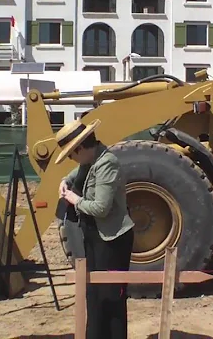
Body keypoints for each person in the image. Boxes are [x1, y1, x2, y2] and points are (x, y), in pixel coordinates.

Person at [55, 117, 135, 339]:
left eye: (72, 154)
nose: (72, 159)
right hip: (95, 236)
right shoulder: (90, 160)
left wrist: (74, 199)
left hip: (112, 239)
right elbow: (77, 173)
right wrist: (65, 181)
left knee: (111, 296)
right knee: (94, 293)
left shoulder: (106, 163)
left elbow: (101, 208)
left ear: (80, 148)